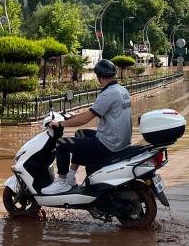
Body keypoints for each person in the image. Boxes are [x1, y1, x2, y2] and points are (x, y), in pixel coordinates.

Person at [41, 58, 132, 194]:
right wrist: (74, 116)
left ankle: (62, 182)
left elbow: (86, 119)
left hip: (108, 144)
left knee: (62, 143)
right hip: (120, 141)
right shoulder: (121, 90)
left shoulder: (108, 93)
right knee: (80, 134)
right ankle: (71, 176)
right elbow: (94, 111)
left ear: (99, 77)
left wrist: (60, 123)